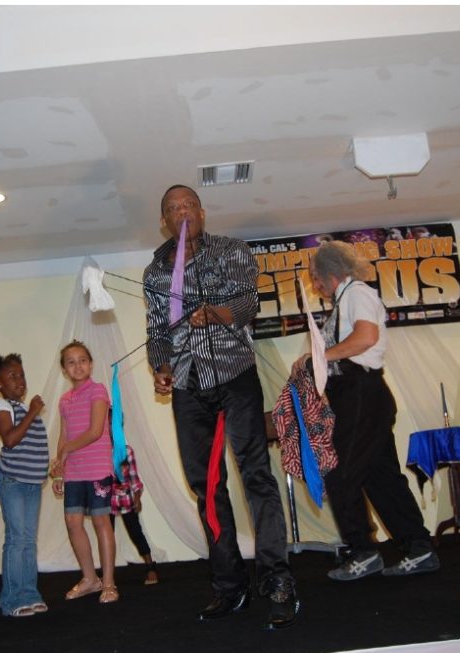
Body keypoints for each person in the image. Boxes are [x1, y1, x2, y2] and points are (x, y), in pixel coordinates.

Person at [143, 184, 297, 630]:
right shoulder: (155, 272)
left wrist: (217, 313)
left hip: (234, 375)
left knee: (257, 475)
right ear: (164, 221)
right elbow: (156, 331)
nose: (182, 212)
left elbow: (249, 302)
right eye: (173, 208)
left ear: (202, 212)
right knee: (206, 487)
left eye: (189, 204)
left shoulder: (231, 250)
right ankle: (230, 587)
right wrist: (161, 368)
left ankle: (277, 578)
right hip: (188, 385)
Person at [303, 240, 439, 581]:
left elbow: (365, 337)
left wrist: (319, 357)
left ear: (331, 273)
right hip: (359, 396)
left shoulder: (358, 294)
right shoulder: (345, 300)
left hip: (362, 394)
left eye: (316, 278)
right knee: (381, 478)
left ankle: (363, 552)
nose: (315, 286)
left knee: (339, 473)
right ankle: (419, 548)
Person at [49, 340, 118, 604]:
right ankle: (90, 579)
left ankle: (109, 583)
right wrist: (59, 469)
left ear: (90, 364)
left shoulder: (98, 390)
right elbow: (64, 436)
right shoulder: (64, 400)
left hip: (97, 468)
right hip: (75, 471)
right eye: (71, 362)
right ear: (64, 369)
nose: (78, 366)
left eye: (82, 360)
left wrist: (66, 449)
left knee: (101, 521)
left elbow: (95, 431)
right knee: (72, 522)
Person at [0, 353, 50, 618]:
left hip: (32, 483)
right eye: (12, 376)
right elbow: (10, 439)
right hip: (12, 481)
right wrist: (32, 412)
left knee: (28, 541)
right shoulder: (2, 406)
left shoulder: (24, 410)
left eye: (22, 375)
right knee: (16, 539)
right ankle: (11, 600)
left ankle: (30, 594)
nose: (20, 380)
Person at [110, 442, 159, 585]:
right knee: (106, 537)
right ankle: (107, 574)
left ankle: (150, 566)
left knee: (136, 532)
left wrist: (137, 498)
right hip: (105, 501)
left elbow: (134, 478)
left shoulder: (126, 451)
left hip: (125, 499)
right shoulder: (98, 449)